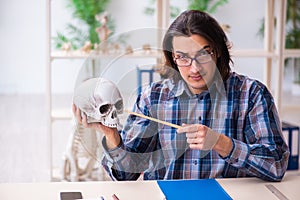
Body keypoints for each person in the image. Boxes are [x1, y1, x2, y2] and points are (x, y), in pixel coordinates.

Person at [73, 10, 289, 182]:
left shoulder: (251, 95)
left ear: (219, 51)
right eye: (182, 57)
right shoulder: (153, 98)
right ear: (172, 58)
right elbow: (125, 175)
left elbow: (276, 166)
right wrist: (112, 136)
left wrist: (223, 144)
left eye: (203, 54)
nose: (194, 68)